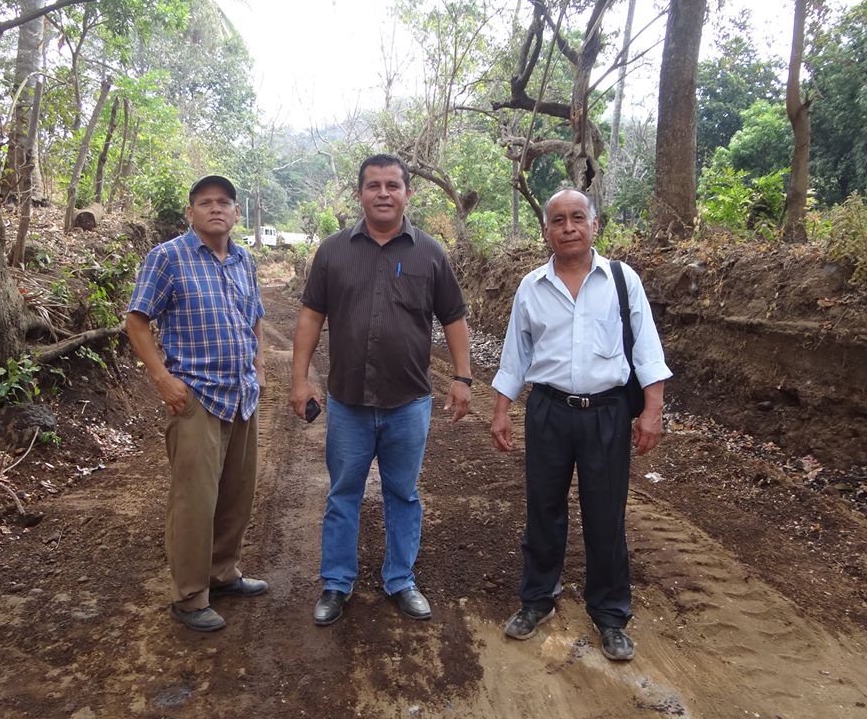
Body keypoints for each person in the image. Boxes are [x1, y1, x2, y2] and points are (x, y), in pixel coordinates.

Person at [290, 154, 472, 626]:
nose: (384, 193)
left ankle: (400, 580)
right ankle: (336, 582)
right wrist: (299, 378)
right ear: (360, 194)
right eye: (374, 185)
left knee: (403, 494)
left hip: (408, 401)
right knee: (343, 492)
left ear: (408, 193)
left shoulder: (430, 253)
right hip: (347, 400)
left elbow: (453, 317)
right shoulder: (332, 251)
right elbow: (311, 316)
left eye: (393, 185)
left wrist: (462, 376)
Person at [490, 188, 671, 661]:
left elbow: (647, 348)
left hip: (608, 413)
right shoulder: (532, 286)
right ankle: (536, 600)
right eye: (557, 220)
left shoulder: (621, 279)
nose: (568, 227)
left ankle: (610, 614)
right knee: (543, 508)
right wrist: (501, 409)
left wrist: (652, 410)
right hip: (548, 411)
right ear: (545, 230)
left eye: (577, 218)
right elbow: (516, 353)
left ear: (594, 225)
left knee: (605, 515)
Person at [126, 175, 268, 632]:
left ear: (236, 212)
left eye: (224, 202)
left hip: (242, 394)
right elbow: (137, 321)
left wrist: (260, 368)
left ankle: (223, 573)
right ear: (191, 213)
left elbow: (256, 320)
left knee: (236, 494)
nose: (215, 209)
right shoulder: (168, 257)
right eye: (205, 203)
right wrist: (162, 379)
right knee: (195, 501)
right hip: (196, 397)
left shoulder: (244, 260)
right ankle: (190, 597)